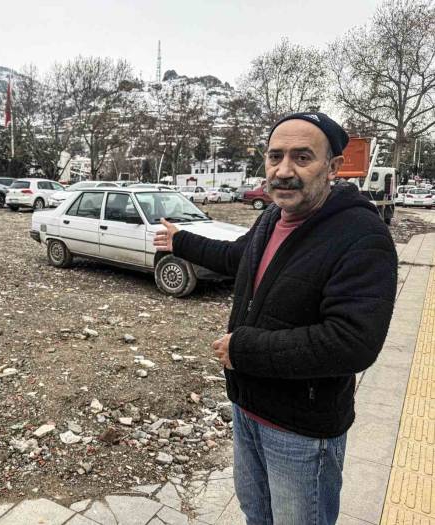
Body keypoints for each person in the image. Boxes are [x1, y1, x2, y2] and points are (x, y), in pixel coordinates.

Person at [154, 112, 397, 524]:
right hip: (248, 408)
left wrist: (243, 349)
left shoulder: (361, 236)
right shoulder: (272, 217)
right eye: (275, 157)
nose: (284, 171)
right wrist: (181, 240)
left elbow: (352, 342)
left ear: (333, 168)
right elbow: (238, 257)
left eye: (302, 158)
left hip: (301, 430)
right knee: (257, 514)